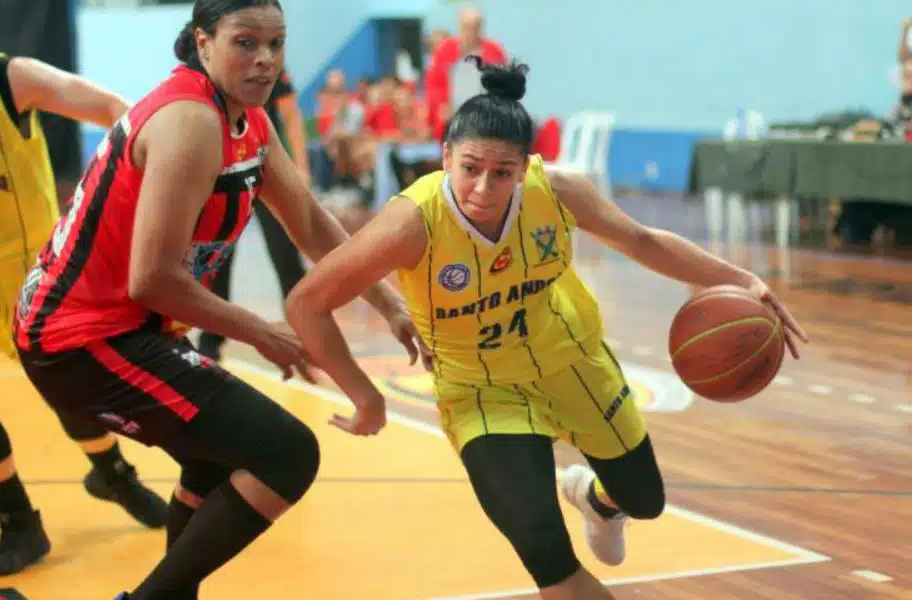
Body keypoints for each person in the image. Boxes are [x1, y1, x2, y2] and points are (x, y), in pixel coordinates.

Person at [284, 58, 808, 600]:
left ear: (524, 168)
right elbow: (306, 303)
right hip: (481, 391)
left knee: (645, 500)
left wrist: (742, 279)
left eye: (502, 172)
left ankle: (598, 500)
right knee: (545, 551)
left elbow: (642, 241)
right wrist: (364, 395)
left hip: (573, 364)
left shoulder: (555, 191)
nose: (483, 187)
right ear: (445, 158)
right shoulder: (412, 222)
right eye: (470, 168)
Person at [12, 1, 415, 598]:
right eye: (245, 43)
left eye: (275, 44)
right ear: (203, 42)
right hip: (78, 339)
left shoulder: (248, 119)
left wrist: (388, 301)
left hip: (126, 328)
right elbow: (152, 278)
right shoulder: (190, 122)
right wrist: (261, 331)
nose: (265, 59)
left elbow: (307, 220)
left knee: (218, 458)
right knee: (286, 453)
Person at [0, 0, 167, 577]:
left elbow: (113, 109)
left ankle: (112, 474)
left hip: (31, 267)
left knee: (69, 389)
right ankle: (19, 520)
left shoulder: (10, 78)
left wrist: (146, 173)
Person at [197, 67, 310, 362]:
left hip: (266, 168)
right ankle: (211, 337)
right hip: (224, 171)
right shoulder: (209, 71)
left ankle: (305, 328)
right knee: (218, 254)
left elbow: (291, 114)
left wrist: (301, 168)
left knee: (284, 248)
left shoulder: (269, 67)